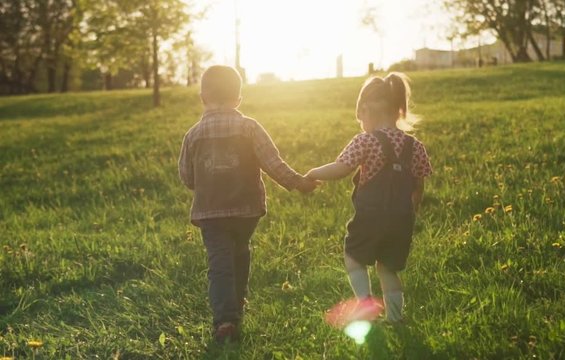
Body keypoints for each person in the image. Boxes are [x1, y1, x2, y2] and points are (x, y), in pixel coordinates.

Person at [178, 65, 318, 343]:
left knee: (219, 263)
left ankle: (225, 320)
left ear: (203, 97)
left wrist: (205, 181)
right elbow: (273, 163)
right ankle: (237, 304)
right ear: (238, 99)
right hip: (246, 211)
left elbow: (187, 176)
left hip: (211, 211)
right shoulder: (249, 127)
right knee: (240, 252)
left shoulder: (193, 134)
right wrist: (298, 183)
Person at [305, 72, 432, 324]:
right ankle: (395, 318)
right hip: (401, 220)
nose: (360, 123)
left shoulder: (366, 141)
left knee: (353, 258)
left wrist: (312, 173)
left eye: (360, 117)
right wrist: (411, 211)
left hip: (370, 217)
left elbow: (341, 168)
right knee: (388, 268)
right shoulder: (414, 146)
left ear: (366, 109)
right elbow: (418, 184)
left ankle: (365, 304)